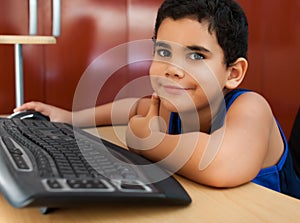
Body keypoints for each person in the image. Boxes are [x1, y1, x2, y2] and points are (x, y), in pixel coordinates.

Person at [14, 0, 300, 199]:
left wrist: (145, 142)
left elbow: (221, 165)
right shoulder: (171, 106)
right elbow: (133, 107)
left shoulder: (252, 108)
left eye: (196, 56)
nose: (172, 69)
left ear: (233, 73)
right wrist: (70, 117)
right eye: (164, 52)